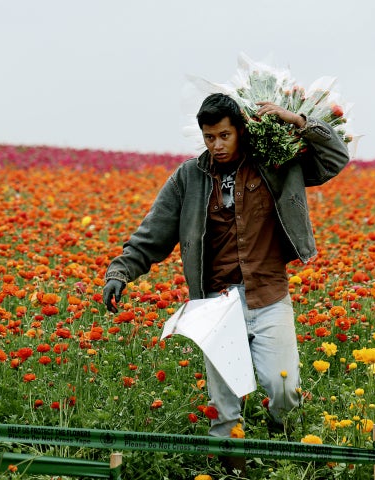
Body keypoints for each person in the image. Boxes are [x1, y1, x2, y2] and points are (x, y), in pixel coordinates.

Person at [102, 93, 349, 474]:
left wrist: (296, 120)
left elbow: (335, 158)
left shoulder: (275, 162)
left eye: (223, 136)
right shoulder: (190, 177)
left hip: (268, 294)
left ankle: (280, 445)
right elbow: (153, 232)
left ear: (241, 130)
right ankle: (230, 472)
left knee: (285, 390)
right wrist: (121, 272)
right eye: (208, 137)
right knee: (225, 407)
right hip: (216, 305)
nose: (216, 145)